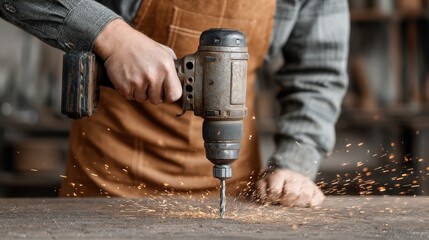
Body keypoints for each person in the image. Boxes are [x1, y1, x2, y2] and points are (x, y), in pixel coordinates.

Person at [0, 0, 349, 207]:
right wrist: (110, 36)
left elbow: (318, 74)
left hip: (236, 190)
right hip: (107, 187)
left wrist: (294, 164)